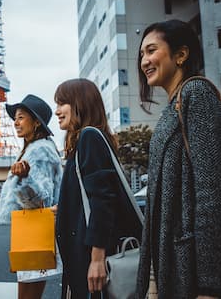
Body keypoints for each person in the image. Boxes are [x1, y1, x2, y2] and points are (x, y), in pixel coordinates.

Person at [135, 19, 221, 298]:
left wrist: (210, 285)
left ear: (181, 55)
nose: (144, 61)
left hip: (193, 272)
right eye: (141, 55)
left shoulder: (197, 95)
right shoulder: (175, 104)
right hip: (172, 261)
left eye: (151, 51)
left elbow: (211, 193)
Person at [54, 79, 138, 298]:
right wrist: (65, 208)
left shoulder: (89, 137)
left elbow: (103, 201)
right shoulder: (84, 141)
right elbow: (91, 198)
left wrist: (97, 259)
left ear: (79, 104)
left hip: (91, 256)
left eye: (62, 103)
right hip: (85, 254)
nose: (57, 111)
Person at [0, 94, 63, 299]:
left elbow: (42, 198)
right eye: (15, 118)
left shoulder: (39, 150)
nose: (15, 122)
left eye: (21, 117)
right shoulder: (37, 147)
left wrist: (25, 178)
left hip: (34, 229)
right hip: (33, 228)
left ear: (36, 123)